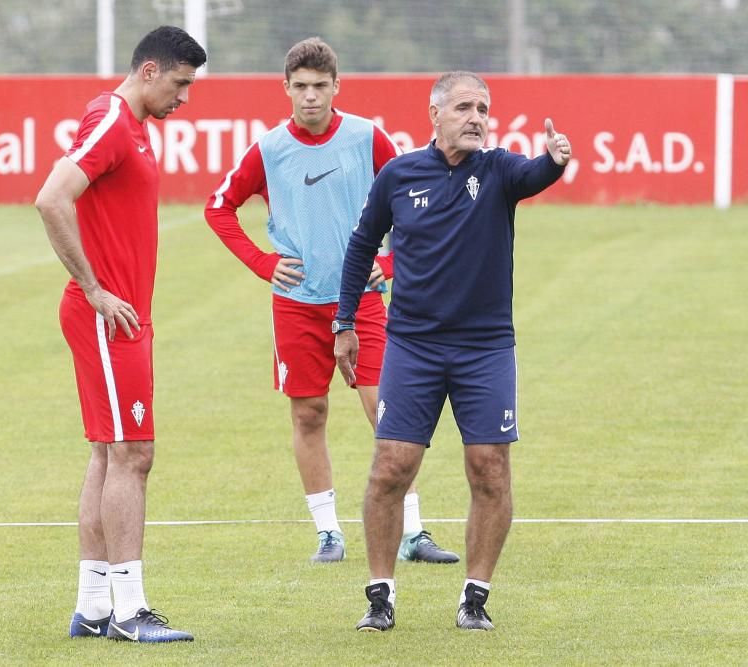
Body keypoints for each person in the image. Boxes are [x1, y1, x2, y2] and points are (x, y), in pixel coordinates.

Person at [204, 37, 458, 565]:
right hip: (297, 303)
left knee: (387, 413)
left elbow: (420, 205)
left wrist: (387, 265)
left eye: (321, 86)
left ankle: (412, 532)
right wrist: (264, 262)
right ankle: (327, 532)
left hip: (363, 303)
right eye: (301, 87)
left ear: (337, 87)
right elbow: (219, 207)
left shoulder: (368, 138)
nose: (311, 96)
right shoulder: (269, 148)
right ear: (286, 89)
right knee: (309, 413)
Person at [334, 71, 572, 632]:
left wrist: (555, 160)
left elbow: (536, 173)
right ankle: (380, 595)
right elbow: (362, 244)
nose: (476, 117)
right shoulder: (399, 174)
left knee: (489, 468)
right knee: (391, 467)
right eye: (464, 106)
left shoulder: (499, 169)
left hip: (484, 349)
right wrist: (345, 321)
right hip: (413, 347)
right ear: (434, 113)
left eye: (483, 108)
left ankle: (475, 596)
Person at [34, 26, 206, 643]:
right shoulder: (111, 119)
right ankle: (130, 611)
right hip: (110, 317)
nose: (185, 98)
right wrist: (97, 289)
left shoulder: (131, 126)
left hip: (122, 316)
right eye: (182, 84)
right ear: (152, 70)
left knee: (109, 453)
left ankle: (94, 606)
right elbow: (52, 198)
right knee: (133, 454)